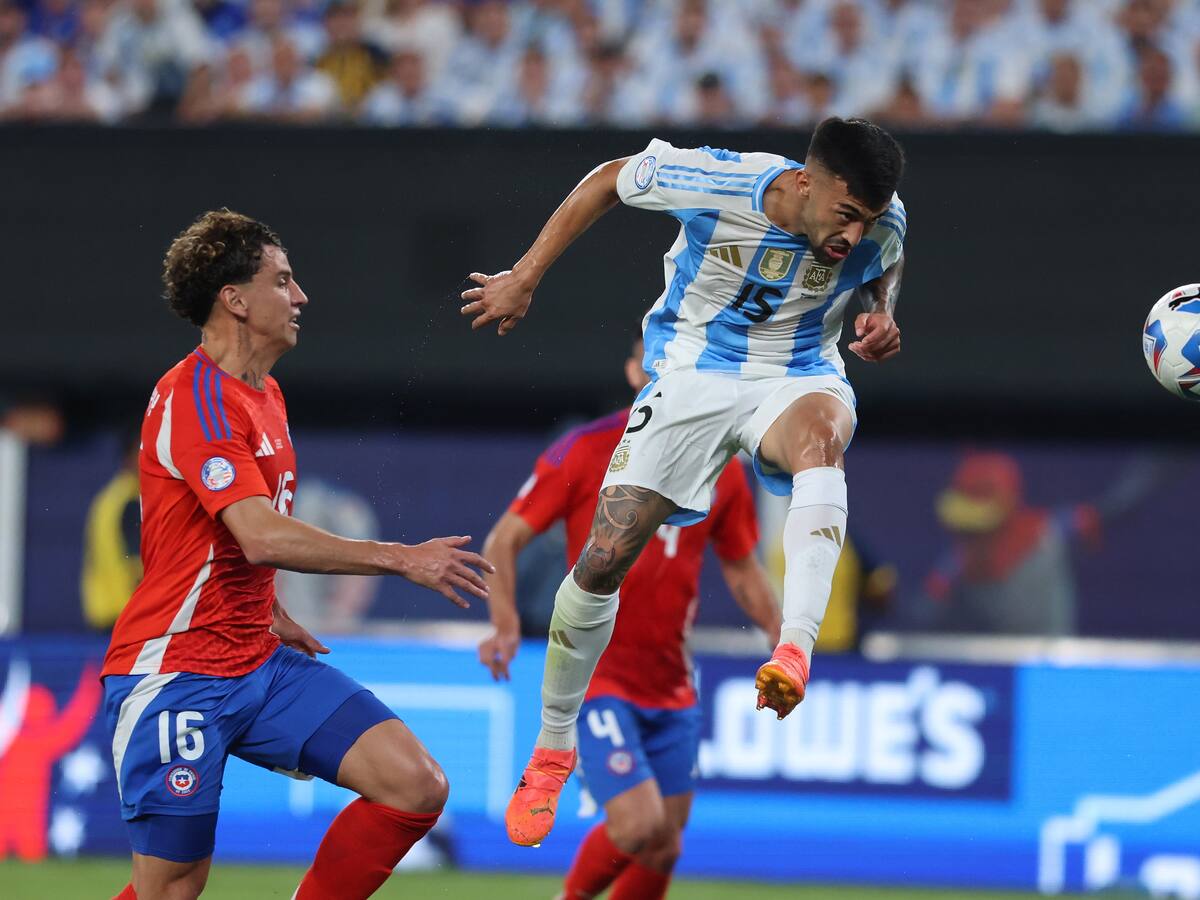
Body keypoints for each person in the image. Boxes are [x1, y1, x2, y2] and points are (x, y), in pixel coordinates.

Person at [461, 116, 907, 846]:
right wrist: (526, 275)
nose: (854, 234)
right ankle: (553, 745)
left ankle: (794, 650)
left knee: (822, 443)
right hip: (693, 373)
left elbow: (887, 255)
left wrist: (882, 313)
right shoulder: (719, 181)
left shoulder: (882, 220)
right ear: (806, 182)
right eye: (846, 214)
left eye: (868, 218)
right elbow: (608, 179)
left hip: (798, 372)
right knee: (602, 560)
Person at [101, 209, 493, 900]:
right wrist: (402, 558)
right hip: (177, 671)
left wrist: (268, 608)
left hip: (257, 659)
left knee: (414, 785)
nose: (301, 296)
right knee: (172, 888)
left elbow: (224, 539)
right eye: (283, 280)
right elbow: (260, 534)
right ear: (235, 299)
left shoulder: (265, 395)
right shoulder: (196, 398)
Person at [478, 337, 780, 899]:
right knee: (639, 825)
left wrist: (785, 638)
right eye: (653, 357)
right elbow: (504, 539)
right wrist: (504, 622)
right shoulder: (586, 449)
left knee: (665, 842)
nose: (664, 367)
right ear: (633, 370)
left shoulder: (724, 465)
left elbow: (741, 567)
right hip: (597, 680)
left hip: (671, 684)